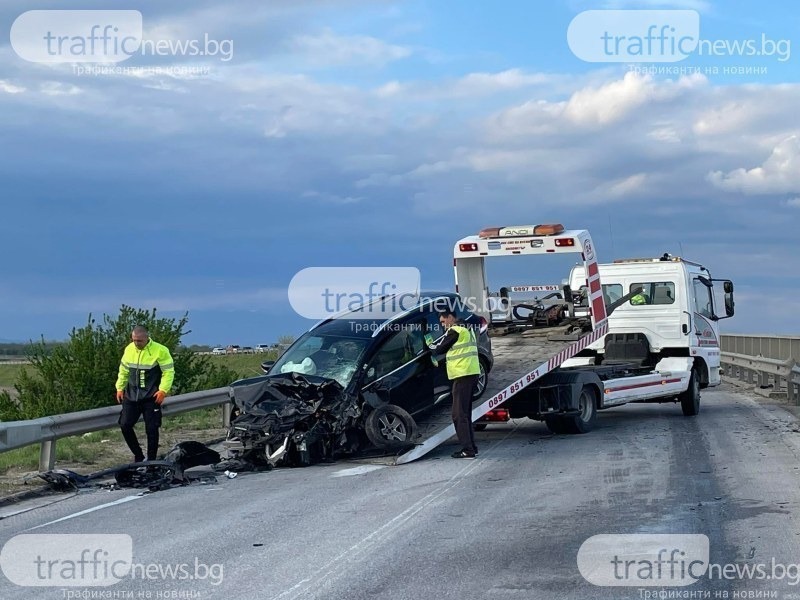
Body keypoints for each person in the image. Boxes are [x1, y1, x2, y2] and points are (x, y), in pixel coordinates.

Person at [115, 326, 175, 462]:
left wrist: (163, 390)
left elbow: (168, 372)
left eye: (140, 341)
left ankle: (151, 461)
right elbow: (123, 370)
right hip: (131, 395)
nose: (137, 343)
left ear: (147, 338)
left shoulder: (160, 350)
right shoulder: (129, 349)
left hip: (151, 396)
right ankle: (138, 455)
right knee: (125, 425)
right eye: (134, 340)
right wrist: (120, 387)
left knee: (152, 429)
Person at [427, 309, 481, 459]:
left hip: (463, 375)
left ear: (450, 317)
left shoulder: (455, 330)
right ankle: (472, 448)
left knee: (458, 415)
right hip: (471, 373)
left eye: (443, 322)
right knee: (465, 414)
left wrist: (430, 346)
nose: (443, 325)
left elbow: (440, 349)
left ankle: (468, 450)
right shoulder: (466, 330)